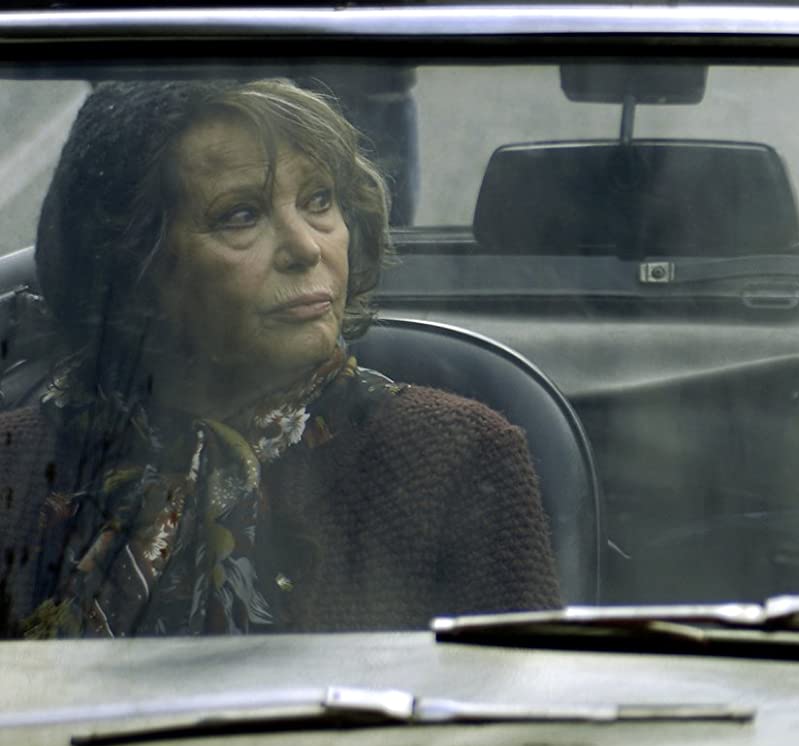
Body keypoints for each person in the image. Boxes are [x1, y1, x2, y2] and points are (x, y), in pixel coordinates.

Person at [0, 79, 561, 638]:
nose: (307, 247)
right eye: (242, 214)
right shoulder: (14, 464)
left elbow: (519, 694)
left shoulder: (460, 456)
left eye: (319, 201)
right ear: (130, 266)